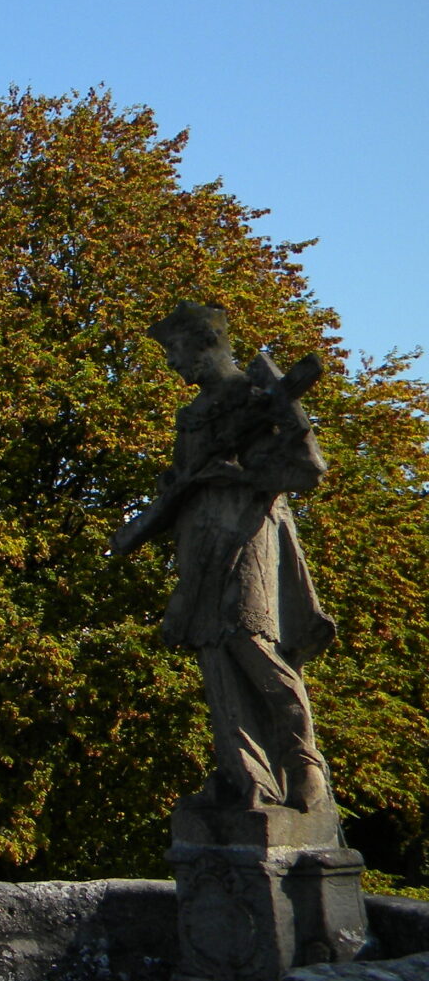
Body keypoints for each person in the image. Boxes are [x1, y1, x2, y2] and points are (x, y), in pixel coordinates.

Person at [112, 302, 335, 811]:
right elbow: (181, 483)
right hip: (199, 538)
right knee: (213, 652)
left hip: (249, 531)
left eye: (175, 348)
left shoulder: (258, 395)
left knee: (251, 642)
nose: (172, 362)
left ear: (207, 340)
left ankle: (303, 764)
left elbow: (308, 468)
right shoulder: (190, 416)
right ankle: (246, 778)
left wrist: (243, 475)